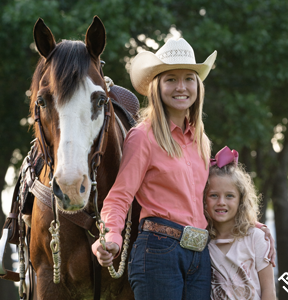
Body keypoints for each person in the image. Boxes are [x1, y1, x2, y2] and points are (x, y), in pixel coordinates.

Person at [92, 38, 275, 300]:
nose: (181, 87)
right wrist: (111, 235)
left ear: (198, 86)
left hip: (199, 256)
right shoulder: (143, 136)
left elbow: (203, 200)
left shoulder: (200, 140)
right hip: (158, 252)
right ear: (157, 86)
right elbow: (120, 194)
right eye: (171, 79)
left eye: (189, 78)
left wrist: (247, 222)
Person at [204, 146, 276, 300]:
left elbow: (269, 291)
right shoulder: (203, 242)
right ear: (203, 199)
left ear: (241, 201)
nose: (221, 202)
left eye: (229, 196)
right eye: (214, 195)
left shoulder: (255, 238)